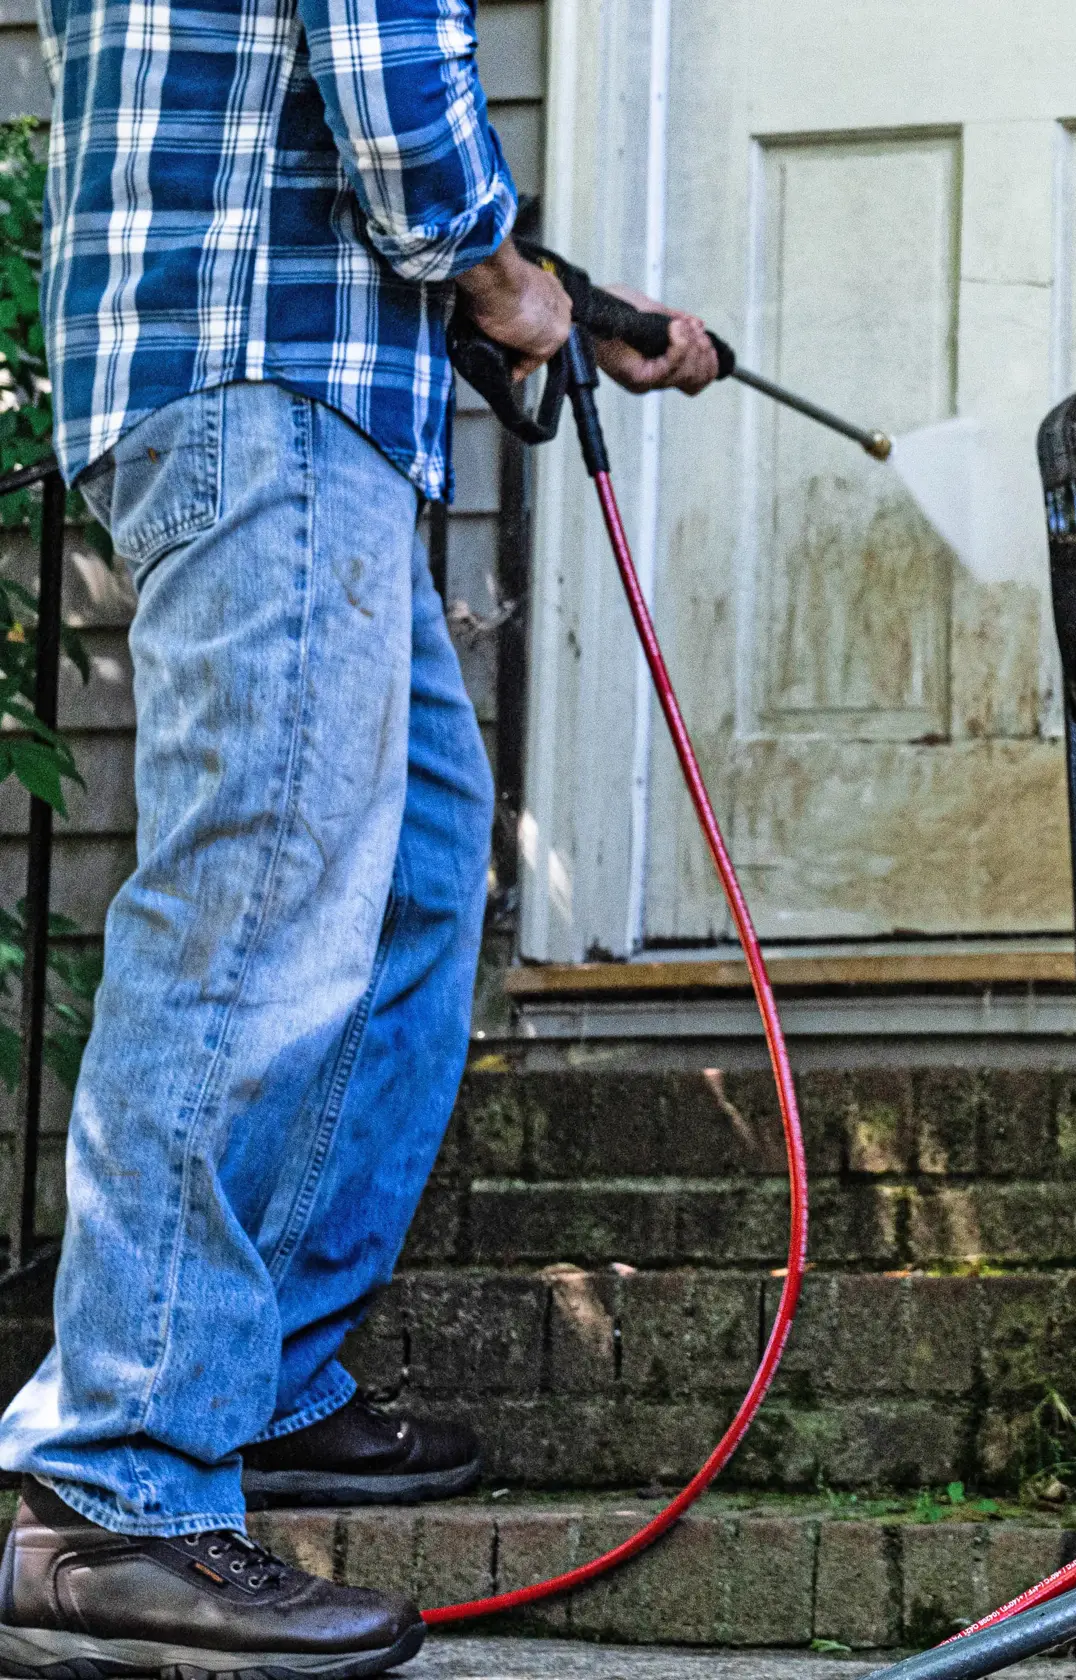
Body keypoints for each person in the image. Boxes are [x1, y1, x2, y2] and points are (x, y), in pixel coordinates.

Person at [0, 0, 717, 1663]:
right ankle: (117, 1487)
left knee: (406, 873)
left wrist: (562, 304)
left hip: (289, 382)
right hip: (265, 386)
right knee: (250, 907)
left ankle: (249, 1376)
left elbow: (300, 110)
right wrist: (499, 272)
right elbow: (391, 78)